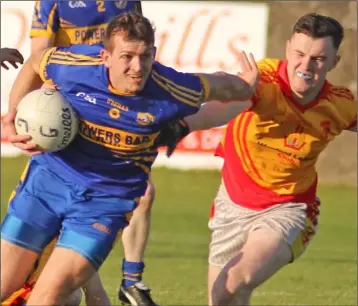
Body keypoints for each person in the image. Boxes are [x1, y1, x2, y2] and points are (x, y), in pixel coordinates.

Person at [0, 12, 259, 306]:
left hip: (104, 206)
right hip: (47, 184)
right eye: (126, 57)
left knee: (47, 297)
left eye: (145, 56)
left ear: (154, 54)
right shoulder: (75, 66)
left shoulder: (171, 89)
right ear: (105, 57)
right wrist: (12, 114)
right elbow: (37, 61)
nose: (137, 67)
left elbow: (222, 86)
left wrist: (247, 84)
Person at [158, 13, 357, 305]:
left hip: (289, 208)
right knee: (226, 300)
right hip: (232, 205)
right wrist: (184, 125)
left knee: (230, 283)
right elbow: (222, 108)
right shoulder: (263, 80)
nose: (305, 65)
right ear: (288, 48)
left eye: (318, 58)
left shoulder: (341, 104)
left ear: (333, 62)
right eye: (300, 54)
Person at [3, 2, 143, 305]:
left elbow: (138, 47)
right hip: (63, 115)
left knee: (131, 195)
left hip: (109, 113)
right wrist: (26, 113)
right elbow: (40, 57)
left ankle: (127, 280)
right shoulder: (53, 3)